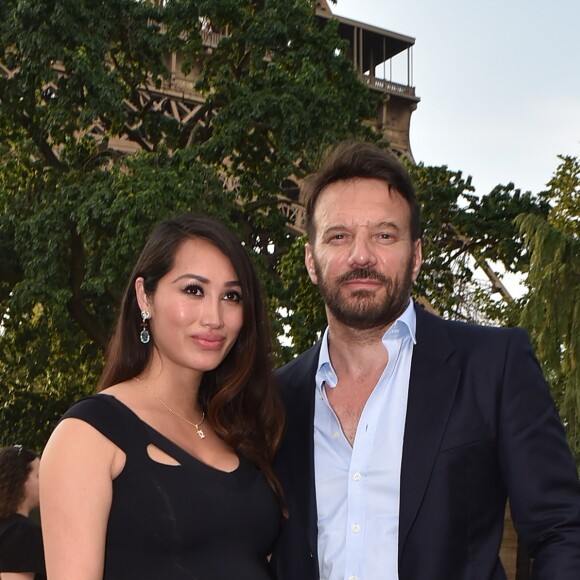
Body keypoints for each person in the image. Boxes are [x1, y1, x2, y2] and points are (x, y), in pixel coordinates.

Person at [271, 141, 580, 580]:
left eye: (384, 235)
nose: (361, 256)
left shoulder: (493, 365)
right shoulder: (275, 398)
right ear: (311, 261)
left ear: (415, 256)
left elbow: (560, 531)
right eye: (339, 236)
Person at [40, 212, 285, 580]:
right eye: (193, 290)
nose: (214, 317)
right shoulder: (87, 435)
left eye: (231, 296)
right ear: (145, 297)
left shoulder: (238, 426)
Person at [0, 445, 46, 580]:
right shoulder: (21, 532)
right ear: (22, 480)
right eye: (38, 476)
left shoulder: (7, 527)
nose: (44, 481)